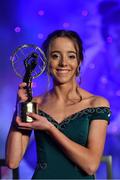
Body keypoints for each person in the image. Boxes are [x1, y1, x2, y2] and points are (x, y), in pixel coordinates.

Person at [6, 30, 111, 179]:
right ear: (46, 61)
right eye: (55, 56)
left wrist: (50, 128)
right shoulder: (36, 104)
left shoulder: (96, 104)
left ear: (79, 61)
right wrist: (20, 106)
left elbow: (91, 165)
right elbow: (12, 161)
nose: (63, 63)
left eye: (71, 56)